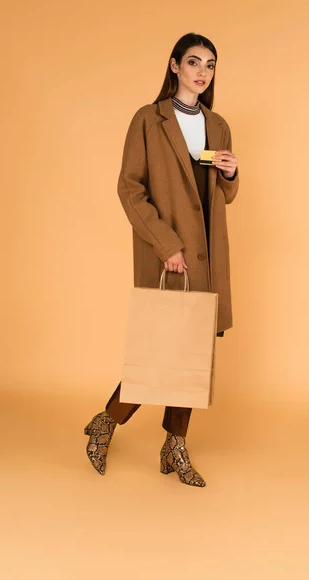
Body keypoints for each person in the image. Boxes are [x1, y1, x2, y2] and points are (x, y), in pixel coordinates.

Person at [84, 32, 240, 487]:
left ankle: (175, 446)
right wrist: (165, 244)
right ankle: (105, 422)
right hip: (169, 254)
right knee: (161, 349)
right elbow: (129, 188)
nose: (202, 72)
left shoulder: (219, 124)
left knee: (194, 353)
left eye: (210, 65)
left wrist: (232, 172)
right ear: (174, 66)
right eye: (193, 62)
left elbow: (223, 194)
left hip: (207, 254)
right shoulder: (149, 120)